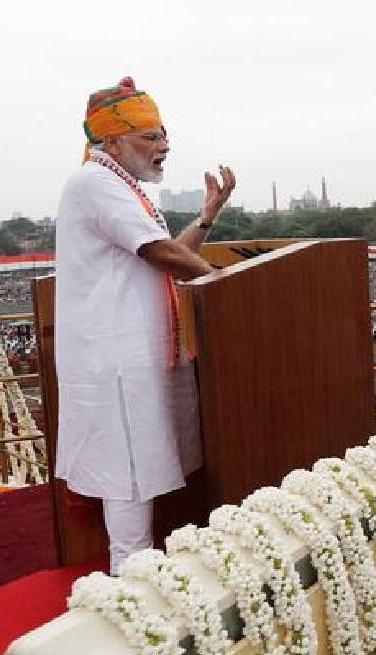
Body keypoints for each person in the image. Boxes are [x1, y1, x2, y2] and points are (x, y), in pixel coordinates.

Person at [54, 77, 236, 574]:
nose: (165, 145)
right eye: (151, 136)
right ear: (112, 141)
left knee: (144, 477)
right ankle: (130, 603)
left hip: (138, 361)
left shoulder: (124, 185)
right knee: (129, 484)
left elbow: (167, 253)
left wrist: (206, 218)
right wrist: (229, 281)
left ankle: (139, 587)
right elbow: (162, 254)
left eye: (163, 134)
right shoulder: (94, 183)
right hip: (115, 366)